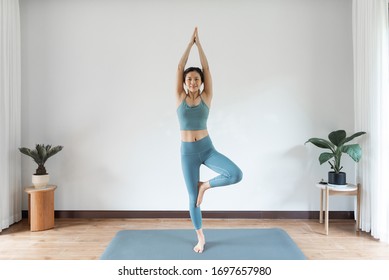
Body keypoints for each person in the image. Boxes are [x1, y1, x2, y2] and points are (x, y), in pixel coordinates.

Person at [176, 27, 243, 253]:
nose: (193, 81)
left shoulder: (206, 97)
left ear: (201, 82)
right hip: (187, 153)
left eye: (196, 78)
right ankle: (201, 237)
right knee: (192, 198)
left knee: (235, 174)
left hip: (207, 149)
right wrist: (189, 44)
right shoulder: (179, 98)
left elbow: (207, 68)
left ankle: (205, 185)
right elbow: (178, 67)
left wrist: (200, 45)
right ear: (185, 82)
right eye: (189, 78)